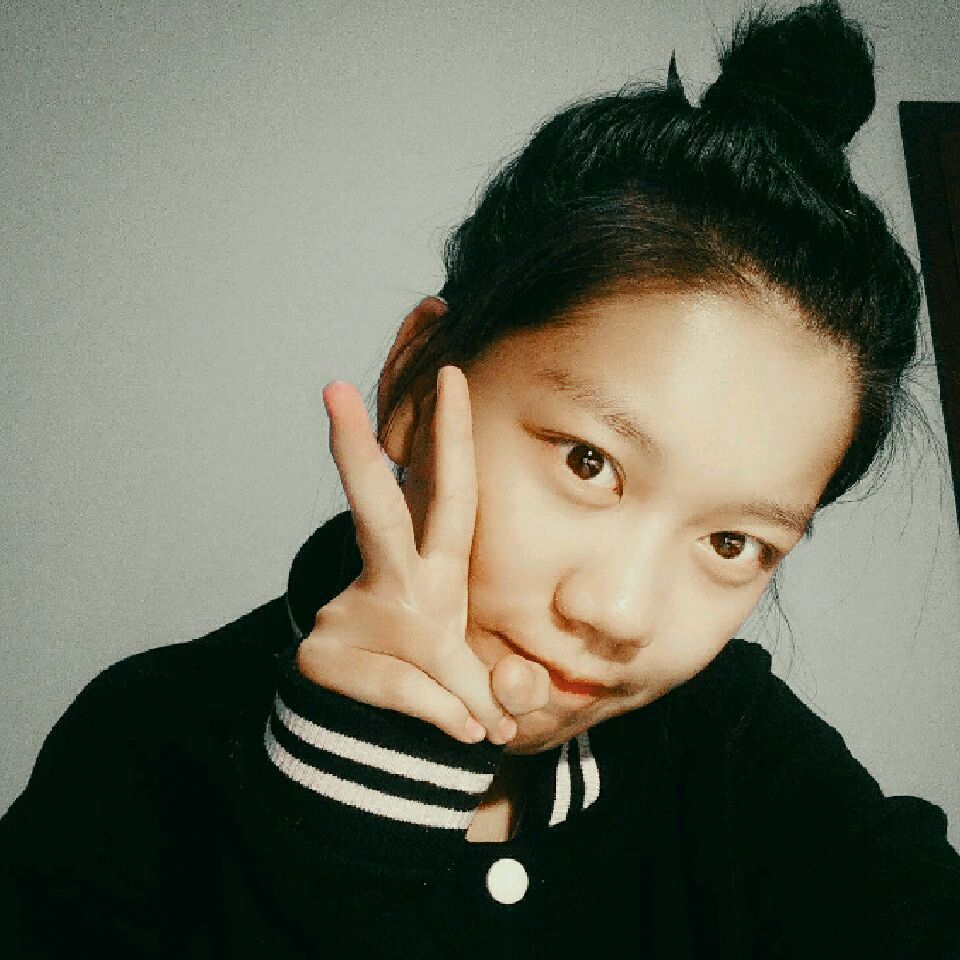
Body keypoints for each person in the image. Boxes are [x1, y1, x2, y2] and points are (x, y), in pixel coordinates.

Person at [2, 1, 959, 956]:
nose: (620, 612)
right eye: (588, 462)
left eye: (733, 542)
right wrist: (353, 818)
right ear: (416, 379)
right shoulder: (144, 749)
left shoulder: (736, 742)